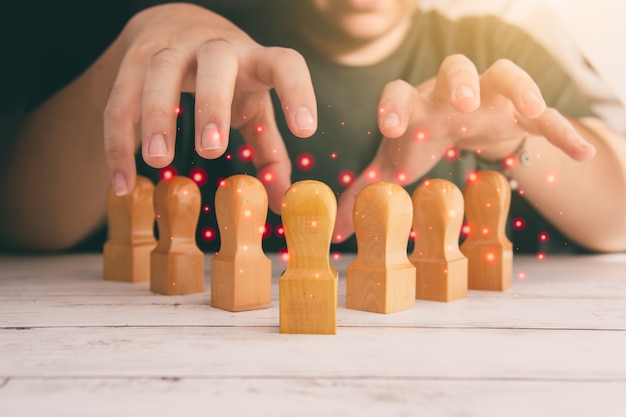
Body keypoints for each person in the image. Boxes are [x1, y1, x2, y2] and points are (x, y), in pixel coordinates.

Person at [1, 0, 625, 255]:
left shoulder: (494, 49)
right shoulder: (186, 41)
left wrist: (514, 136)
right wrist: (131, 57)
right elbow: (17, 217)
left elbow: (618, 217)